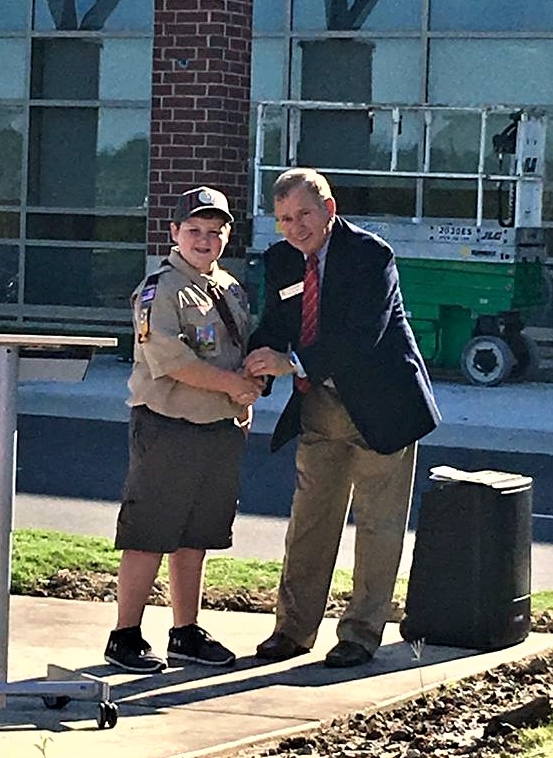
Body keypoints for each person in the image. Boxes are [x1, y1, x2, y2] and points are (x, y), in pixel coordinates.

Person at [244, 168, 441, 668]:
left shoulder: (372, 256)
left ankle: (360, 634)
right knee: (309, 522)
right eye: (285, 219)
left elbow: (362, 335)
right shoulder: (281, 260)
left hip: (381, 408)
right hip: (318, 407)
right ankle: (292, 630)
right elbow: (275, 325)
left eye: (304, 214)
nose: (295, 227)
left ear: (329, 209)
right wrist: (254, 373)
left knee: (379, 526)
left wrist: (291, 362)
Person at [104, 186, 262, 673]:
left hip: (218, 426)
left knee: (197, 536)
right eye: (194, 229)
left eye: (215, 231)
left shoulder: (230, 288)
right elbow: (170, 360)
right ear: (174, 232)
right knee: (149, 533)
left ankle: (185, 631)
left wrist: (243, 398)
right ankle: (124, 635)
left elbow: (236, 352)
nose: (204, 239)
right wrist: (233, 386)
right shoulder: (160, 289)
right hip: (168, 426)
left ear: (227, 236)